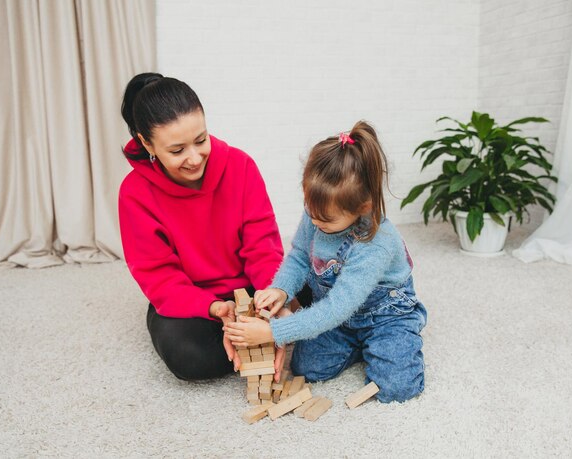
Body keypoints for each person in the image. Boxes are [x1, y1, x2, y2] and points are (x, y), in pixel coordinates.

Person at [224, 121, 428, 403]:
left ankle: (389, 339)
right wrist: (282, 290)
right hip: (341, 314)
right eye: (311, 212)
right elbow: (298, 257)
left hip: (384, 314)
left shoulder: (376, 242)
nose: (315, 222)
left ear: (363, 207)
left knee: (397, 387)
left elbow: (337, 307)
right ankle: (358, 344)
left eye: (326, 220)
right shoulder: (317, 211)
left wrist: (272, 331)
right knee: (306, 368)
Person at [118, 73, 284, 381]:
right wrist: (214, 309)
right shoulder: (134, 193)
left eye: (200, 140)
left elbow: (263, 246)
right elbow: (159, 276)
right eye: (177, 150)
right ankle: (252, 339)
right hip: (194, 302)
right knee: (188, 358)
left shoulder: (240, 165)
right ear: (146, 143)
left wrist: (269, 301)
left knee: (315, 286)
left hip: (249, 289)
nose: (194, 158)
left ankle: (260, 334)